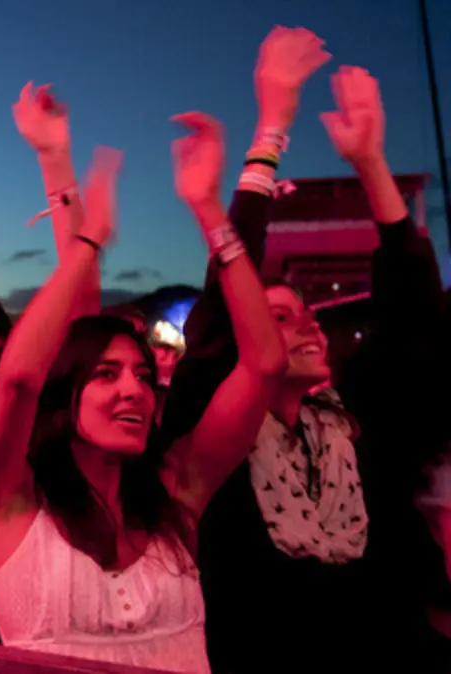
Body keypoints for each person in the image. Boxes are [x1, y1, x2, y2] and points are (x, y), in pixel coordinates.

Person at [0, 61, 295, 670]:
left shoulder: (177, 491)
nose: (134, 391)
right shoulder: (9, 499)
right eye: (106, 374)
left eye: (144, 375)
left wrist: (208, 212)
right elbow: (16, 379)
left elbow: (264, 364)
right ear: (65, 392)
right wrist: (87, 241)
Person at [162, 56, 451, 671]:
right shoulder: (210, 432)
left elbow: (416, 315)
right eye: (278, 316)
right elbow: (221, 300)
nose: (308, 323)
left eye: (305, 311)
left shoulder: (357, 422)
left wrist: (371, 163)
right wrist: (270, 132)